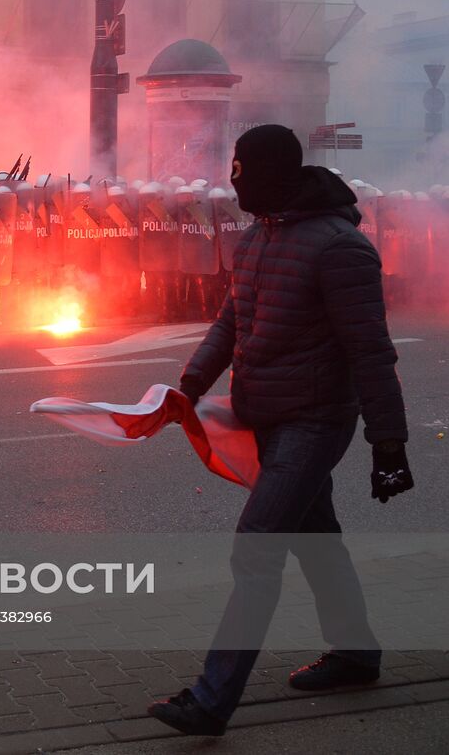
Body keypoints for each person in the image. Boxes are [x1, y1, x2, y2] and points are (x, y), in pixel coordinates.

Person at [148, 124, 414, 737]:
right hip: (265, 414)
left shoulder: (339, 247)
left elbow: (371, 351)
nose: (233, 183)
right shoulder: (257, 237)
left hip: (314, 420)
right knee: (316, 539)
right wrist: (185, 389)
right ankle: (356, 653)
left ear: (273, 174)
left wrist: (389, 442)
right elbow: (231, 323)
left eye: (242, 172)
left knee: (258, 545)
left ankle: (212, 701)